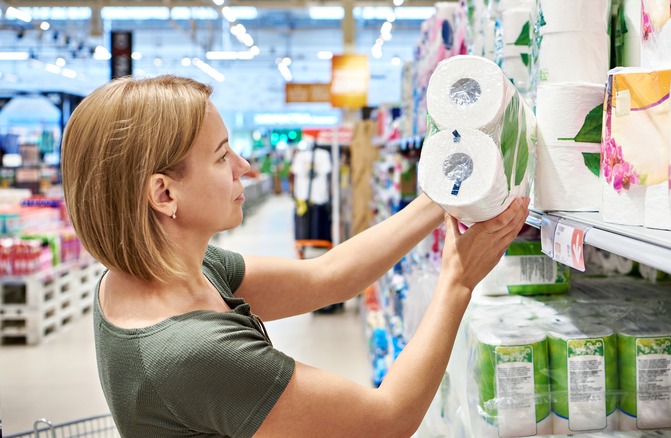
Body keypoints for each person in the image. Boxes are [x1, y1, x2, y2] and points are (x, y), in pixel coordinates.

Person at [60, 75, 530, 438]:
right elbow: (385, 421)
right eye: (222, 157)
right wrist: (457, 281)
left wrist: (444, 192)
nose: (245, 167)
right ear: (163, 194)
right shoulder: (192, 353)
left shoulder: (152, 273)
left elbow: (328, 276)